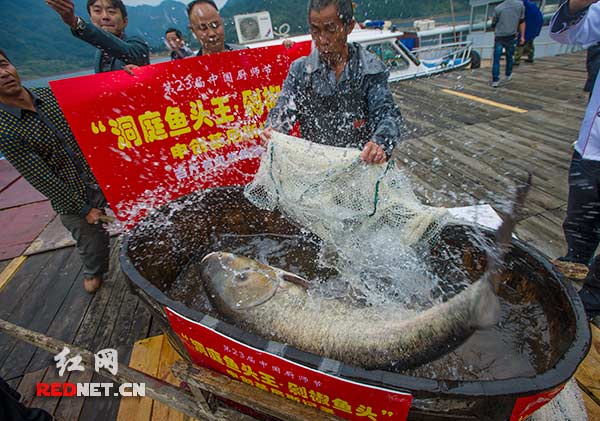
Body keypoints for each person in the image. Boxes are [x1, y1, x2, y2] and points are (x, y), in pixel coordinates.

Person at [0, 50, 110, 293]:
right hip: (73, 195)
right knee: (92, 247)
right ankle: (94, 271)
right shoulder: (5, 130)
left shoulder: (49, 95)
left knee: (144, 215)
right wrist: (84, 209)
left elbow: (95, 110)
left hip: (102, 177)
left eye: (4, 65)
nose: (4, 74)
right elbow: (42, 179)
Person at [261, 0, 403, 165]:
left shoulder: (370, 69)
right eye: (315, 30)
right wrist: (274, 129)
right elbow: (284, 109)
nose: (322, 39)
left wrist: (379, 143)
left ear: (349, 26)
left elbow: (388, 116)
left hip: (360, 166)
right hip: (315, 166)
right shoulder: (300, 70)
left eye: (330, 29)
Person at [550, 0, 600, 325]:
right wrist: (577, 4)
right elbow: (566, 32)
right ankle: (574, 267)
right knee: (580, 223)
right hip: (593, 145)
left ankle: (594, 313)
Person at [46, 0, 150, 73]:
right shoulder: (99, 53)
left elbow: (129, 53)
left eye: (111, 12)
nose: (105, 17)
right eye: (97, 11)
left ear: (125, 21)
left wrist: (75, 22)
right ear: (91, 20)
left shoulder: (136, 45)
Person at [490, 0, 525, 88]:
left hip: (499, 36)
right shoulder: (520, 5)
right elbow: (522, 21)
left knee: (496, 59)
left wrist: (495, 27)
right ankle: (508, 74)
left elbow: (494, 23)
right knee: (510, 56)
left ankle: (495, 80)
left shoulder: (498, 8)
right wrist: (522, 36)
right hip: (511, 35)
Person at [514, 0, 543, 65]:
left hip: (528, 26)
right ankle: (530, 57)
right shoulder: (532, 5)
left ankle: (516, 60)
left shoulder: (522, 5)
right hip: (536, 25)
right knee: (530, 41)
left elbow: (520, 19)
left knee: (521, 42)